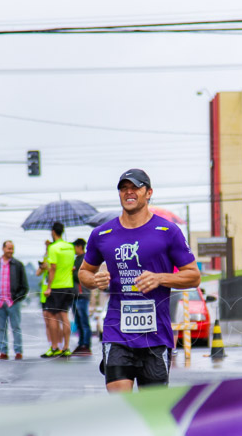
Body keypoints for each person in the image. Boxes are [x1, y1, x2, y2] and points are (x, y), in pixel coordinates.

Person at [78, 168, 199, 392]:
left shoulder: (167, 231)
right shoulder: (102, 234)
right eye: (124, 189)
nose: (129, 192)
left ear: (149, 192)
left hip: (156, 336)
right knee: (120, 407)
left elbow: (193, 275)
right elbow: (84, 272)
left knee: (151, 411)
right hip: (117, 332)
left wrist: (160, 278)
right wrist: (95, 280)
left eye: (135, 188)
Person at [0, 240, 28, 360]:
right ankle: (3, 352)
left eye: (12, 248)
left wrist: (18, 297)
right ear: (3, 249)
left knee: (16, 327)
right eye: (9, 248)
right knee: (1, 328)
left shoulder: (18, 265)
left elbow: (24, 285)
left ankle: (18, 351)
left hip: (13, 302)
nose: (11, 251)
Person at [41, 222, 75, 358]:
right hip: (69, 285)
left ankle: (55, 347)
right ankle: (66, 347)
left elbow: (53, 268)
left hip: (56, 286)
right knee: (64, 315)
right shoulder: (70, 247)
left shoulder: (53, 248)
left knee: (52, 316)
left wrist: (49, 287)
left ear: (53, 232)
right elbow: (71, 267)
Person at [71, 238, 93, 356]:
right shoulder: (76, 259)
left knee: (84, 321)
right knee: (78, 322)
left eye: (75, 247)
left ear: (79, 246)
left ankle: (86, 344)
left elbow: (80, 276)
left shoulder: (84, 259)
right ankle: (81, 344)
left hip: (82, 294)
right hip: (75, 294)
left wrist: (72, 272)